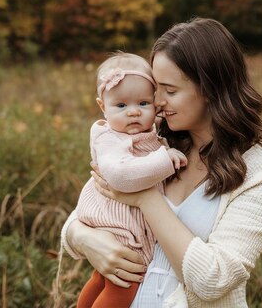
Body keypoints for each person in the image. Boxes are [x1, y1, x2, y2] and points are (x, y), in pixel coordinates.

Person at [60, 18, 262, 307]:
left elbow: (213, 280)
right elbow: (94, 202)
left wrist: (145, 199)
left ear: (211, 89)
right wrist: (83, 238)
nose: (156, 102)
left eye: (169, 91)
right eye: (155, 89)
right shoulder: (153, 138)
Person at [67, 52, 188, 308]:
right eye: (121, 106)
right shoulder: (109, 138)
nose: (133, 113)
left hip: (122, 228)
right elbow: (120, 176)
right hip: (119, 230)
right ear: (102, 106)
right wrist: (165, 160)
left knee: (102, 280)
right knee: (124, 286)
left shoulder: (146, 131)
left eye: (143, 103)